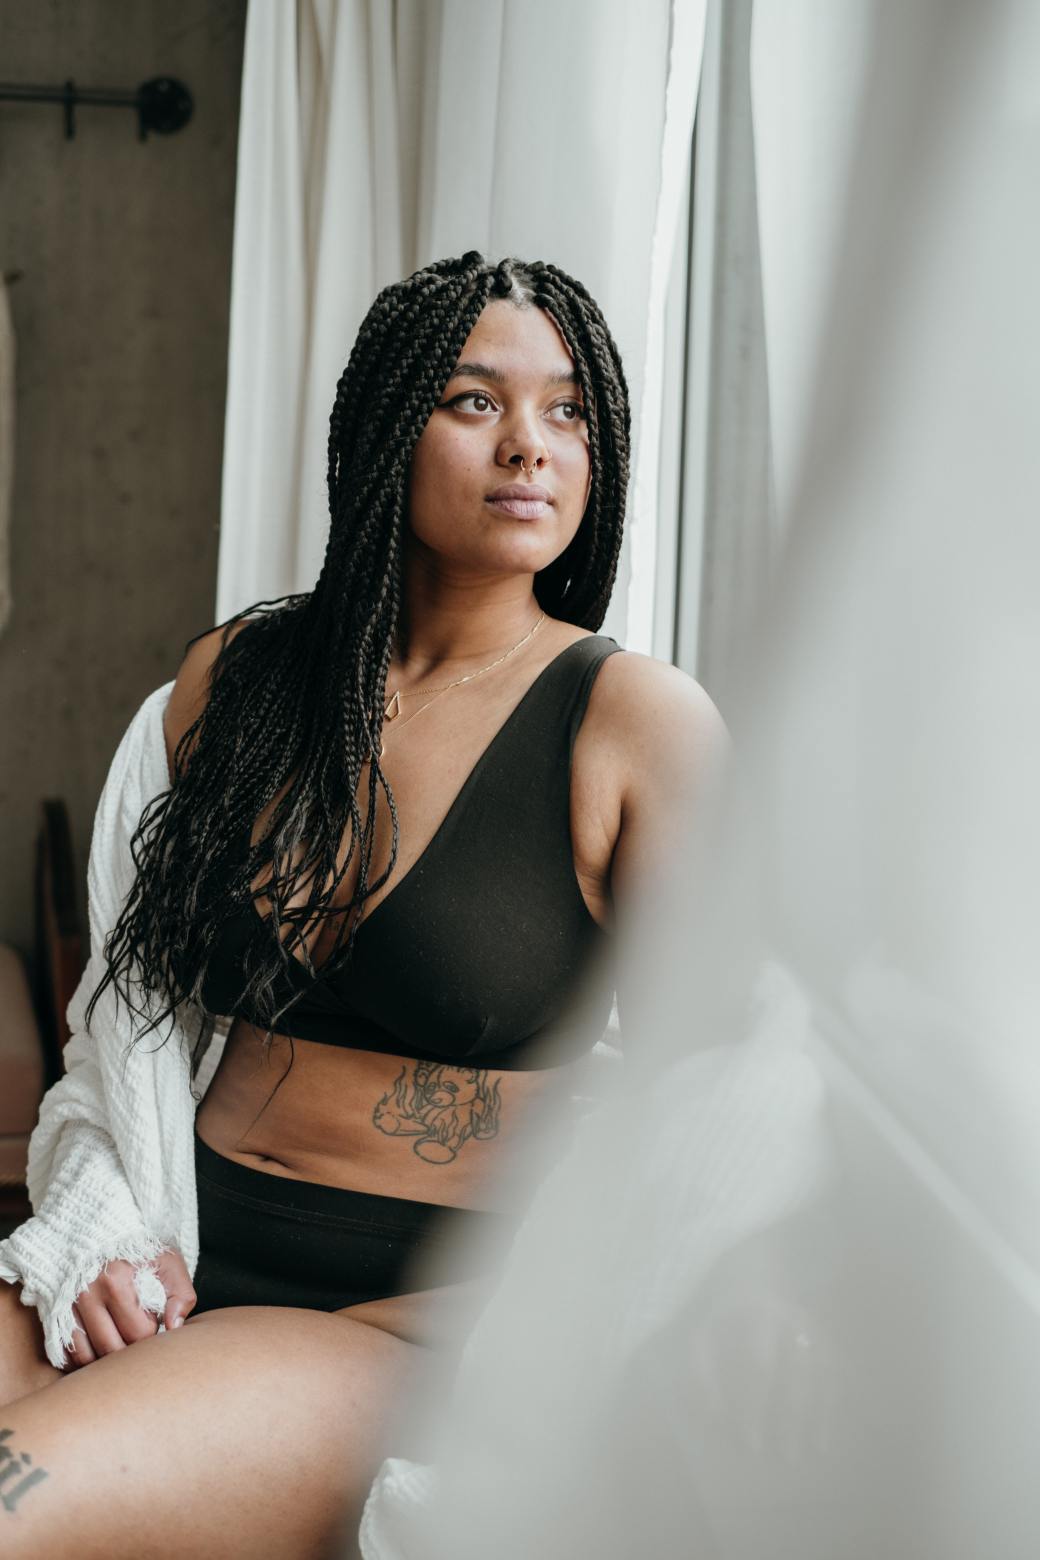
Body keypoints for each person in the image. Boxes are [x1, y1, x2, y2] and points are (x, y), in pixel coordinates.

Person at [0, 252, 727, 1557]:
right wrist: (105, 1232)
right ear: (387, 424)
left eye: (569, 412)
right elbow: (116, 1035)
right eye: (474, 400)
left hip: (412, 1319)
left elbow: (733, 1077)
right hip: (173, 1252)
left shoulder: (633, 726)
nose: (530, 447)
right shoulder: (237, 681)